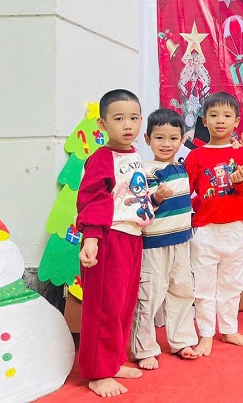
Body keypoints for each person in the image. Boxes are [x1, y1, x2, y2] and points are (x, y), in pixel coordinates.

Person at [76, 89, 152, 397]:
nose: (127, 125)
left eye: (133, 118)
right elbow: (93, 199)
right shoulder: (101, 158)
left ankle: (113, 360)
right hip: (109, 239)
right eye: (119, 119)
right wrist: (92, 238)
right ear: (102, 124)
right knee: (105, 307)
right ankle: (98, 372)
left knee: (123, 304)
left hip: (132, 238)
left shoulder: (134, 155)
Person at [184, 92, 243, 356]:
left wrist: (239, 181)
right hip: (205, 230)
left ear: (236, 121)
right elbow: (186, 192)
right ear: (204, 120)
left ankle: (229, 329)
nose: (220, 121)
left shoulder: (241, 153)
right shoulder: (195, 157)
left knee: (232, 284)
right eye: (214, 115)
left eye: (227, 116)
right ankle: (205, 335)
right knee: (203, 287)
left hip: (235, 229)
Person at [131, 108, 198, 370]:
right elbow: (140, 207)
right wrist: (157, 197)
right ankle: (144, 348)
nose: (166, 144)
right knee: (149, 296)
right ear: (148, 139)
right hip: (154, 245)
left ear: (182, 140)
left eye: (173, 138)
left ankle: (182, 341)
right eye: (159, 138)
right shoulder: (145, 171)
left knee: (182, 291)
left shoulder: (181, 169)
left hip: (181, 242)